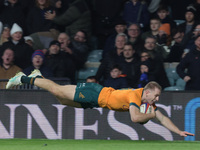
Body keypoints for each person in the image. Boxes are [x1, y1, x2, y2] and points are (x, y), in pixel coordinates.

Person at [6, 72, 194, 137]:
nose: (157, 99)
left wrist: (178, 131)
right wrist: (151, 115)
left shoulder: (145, 102)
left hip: (96, 102)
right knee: (57, 90)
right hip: (94, 93)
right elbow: (136, 118)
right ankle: (22, 78)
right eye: (157, 96)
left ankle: (38, 78)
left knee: (61, 100)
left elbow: (162, 117)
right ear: (147, 92)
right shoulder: (135, 96)